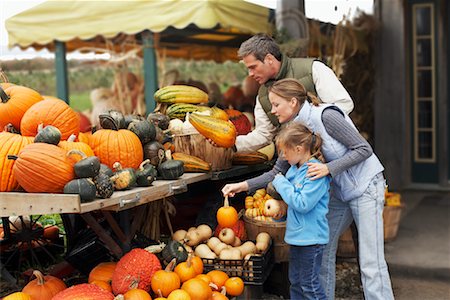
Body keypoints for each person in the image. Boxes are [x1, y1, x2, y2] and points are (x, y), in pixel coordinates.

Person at [222, 78, 395, 300]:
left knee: (371, 262)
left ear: (293, 102)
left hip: (366, 186)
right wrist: (241, 186)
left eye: (276, 104)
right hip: (341, 191)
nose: (272, 110)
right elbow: (276, 173)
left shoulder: (326, 116)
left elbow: (363, 149)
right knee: (321, 254)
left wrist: (328, 169)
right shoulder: (292, 131)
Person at [235, 33, 354, 152]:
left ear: (269, 59)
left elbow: (342, 105)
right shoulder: (262, 95)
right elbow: (263, 134)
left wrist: (313, 136)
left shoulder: (313, 69)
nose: (250, 74)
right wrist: (232, 144)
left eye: (253, 67)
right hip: (296, 162)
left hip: (333, 155)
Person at [272, 122, 330, 300]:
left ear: (298, 149)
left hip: (312, 239)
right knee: (295, 282)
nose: (282, 156)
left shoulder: (314, 172)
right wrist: (282, 212)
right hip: (297, 237)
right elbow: (293, 202)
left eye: (284, 151)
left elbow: (303, 203)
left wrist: (280, 183)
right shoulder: (294, 171)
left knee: (309, 284)